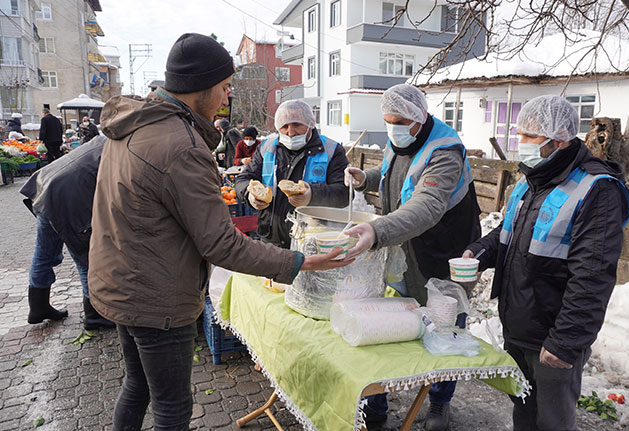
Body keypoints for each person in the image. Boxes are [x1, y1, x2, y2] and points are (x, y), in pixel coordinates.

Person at [89, 33, 351, 431]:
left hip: (118, 280)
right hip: (157, 297)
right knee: (172, 407)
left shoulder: (131, 124)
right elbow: (221, 244)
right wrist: (301, 262)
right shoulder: (181, 145)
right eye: (226, 86)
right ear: (202, 88)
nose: (228, 95)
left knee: (137, 385)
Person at [462, 95, 629, 431]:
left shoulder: (596, 189)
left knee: (552, 420)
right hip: (521, 324)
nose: (519, 142)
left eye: (527, 136)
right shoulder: (531, 181)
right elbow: (507, 234)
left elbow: (593, 276)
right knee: (524, 410)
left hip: (553, 335)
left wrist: (565, 342)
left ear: (558, 140)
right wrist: (478, 253)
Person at [345, 83, 482, 430]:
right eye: (389, 121)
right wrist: (366, 179)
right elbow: (395, 174)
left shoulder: (445, 151)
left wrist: (378, 231)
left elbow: (427, 205)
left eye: (401, 121)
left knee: (444, 327)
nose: (394, 128)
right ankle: (376, 403)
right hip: (405, 248)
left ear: (420, 118)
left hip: (443, 253)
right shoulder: (402, 140)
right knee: (392, 323)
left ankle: (439, 402)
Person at [20, 135, 114, 330]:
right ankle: (95, 315)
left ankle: (38, 307)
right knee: (86, 255)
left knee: (45, 253)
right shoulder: (124, 145)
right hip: (63, 196)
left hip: (45, 187)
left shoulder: (106, 138)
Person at [235, 100, 350, 249]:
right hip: (271, 241)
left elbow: (345, 193)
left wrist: (312, 195)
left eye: (297, 125)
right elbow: (242, 180)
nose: (290, 132)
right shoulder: (267, 148)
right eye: (284, 126)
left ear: (310, 123)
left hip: (312, 242)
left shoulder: (331, 150)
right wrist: (249, 196)